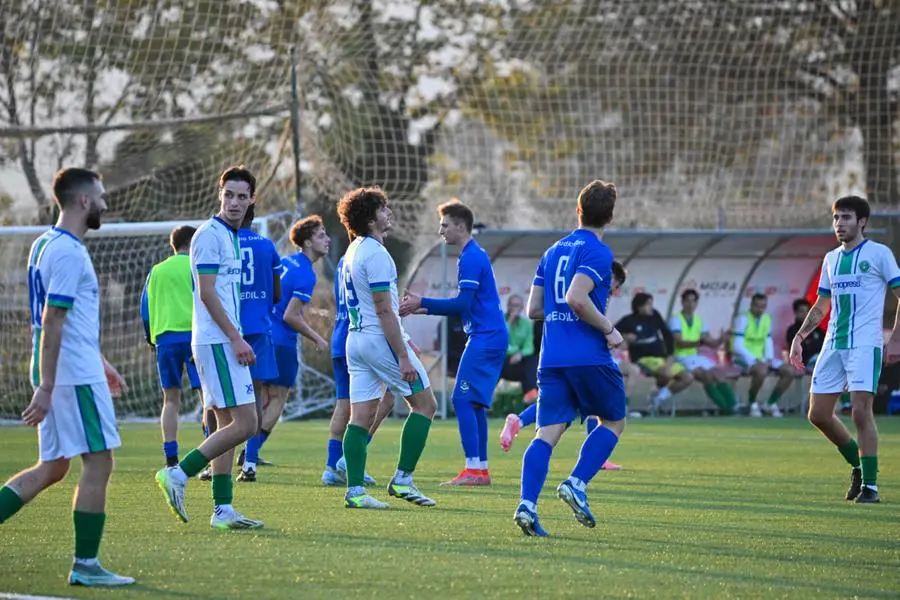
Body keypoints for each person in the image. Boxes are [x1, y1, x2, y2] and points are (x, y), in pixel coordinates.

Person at [0, 168, 134, 585]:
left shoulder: (45, 244)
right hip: (70, 376)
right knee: (99, 461)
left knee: (53, 467)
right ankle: (87, 566)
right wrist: (47, 386)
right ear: (82, 202)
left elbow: (64, 320)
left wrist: (102, 361)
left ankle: (87, 564)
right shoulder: (69, 252)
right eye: (101, 196)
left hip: (71, 367)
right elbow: (52, 317)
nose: (105, 203)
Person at [513, 179, 626, 537]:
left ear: (577, 210)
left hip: (552, 358)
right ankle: (576, 483)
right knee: (613, 422)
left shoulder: (552, 251)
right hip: (588, 356)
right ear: (609, 217)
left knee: (546, 435)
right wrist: (607, 327)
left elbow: (534, 309)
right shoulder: (598, 252)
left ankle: (527, 505)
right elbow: (578, 298)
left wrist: (560, 319)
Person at [155, 165, 263, 530]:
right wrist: (236, 337)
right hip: (217, 341)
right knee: (248, 423)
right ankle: (179, 473)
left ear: (250, 200)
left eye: (241, 196)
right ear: (220, 195)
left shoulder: (233, 236)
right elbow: (205, 292)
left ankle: (222, 509)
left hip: (219, 340)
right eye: (228, 195)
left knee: (227, 424)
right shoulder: (208, 235)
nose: (234, 202)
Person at [789, 195, 900, 504]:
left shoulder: (879, 254)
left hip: (865, 344)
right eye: (836, 218)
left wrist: (897, 339)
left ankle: (871, 487)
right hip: (833, 344)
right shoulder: (831, 259)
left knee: (861, 411)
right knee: (818, 415)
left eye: (846, 218)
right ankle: (857, 465)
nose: (839, 224)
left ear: (862, 222)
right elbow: (822, 304)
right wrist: (799, 337)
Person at [338, 186, 437, 509]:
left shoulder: (352, 251)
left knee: (360, 417)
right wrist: (403, 354)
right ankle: (403, 480)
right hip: (378, 341)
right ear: (369, 218)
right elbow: (382, 310)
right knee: (425, 404)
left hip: (356, 339)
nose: (389, 212)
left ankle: (355, 491)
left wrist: (404, 341)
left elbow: (377, 307)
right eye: (383, 208)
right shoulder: (377, 254)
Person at [400, 200, 508, 487]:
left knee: (461, 399)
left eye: (445, 225)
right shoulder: (473, 255)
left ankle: (473, 470)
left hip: (485, 337)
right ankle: (480, 470)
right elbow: (463, 306)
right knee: (472, 403)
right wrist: (423, 308)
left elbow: (463, 303)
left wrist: (422, 301)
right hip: (489, 335)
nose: (440, 230)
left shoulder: (471, 257)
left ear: (461, 226)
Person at [500, 260, 629, 474]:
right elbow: (581, 309)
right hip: (584, 356)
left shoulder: (557, 268)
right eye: (614, 285)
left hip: (554, 353)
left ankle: (520, 420)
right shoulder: (591, 290)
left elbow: (535, 309)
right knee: (602, 413)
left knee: (561, 410)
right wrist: (608, 332)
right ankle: (591, 464)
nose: (612, 290)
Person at [257, 215, 331, 472]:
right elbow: (291, 315)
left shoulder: (285, 262)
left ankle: (249, 454)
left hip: (261, 336)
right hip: (281, 342)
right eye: (322, 235)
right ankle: (251, 456)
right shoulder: (306, 274)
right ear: (308, 242)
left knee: (262, 396)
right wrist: (317, 337)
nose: (328, 239)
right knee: (278, 398)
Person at [322, 250, 395, 488]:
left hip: (341, 335)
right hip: (363, 334)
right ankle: (349, 460)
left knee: (345, 404)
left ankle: (332, 467)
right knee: (386, 398)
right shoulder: (368, 256)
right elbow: (379, 304)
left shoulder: (345, 259)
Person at [141, 225, 202, 468]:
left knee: (170, 400)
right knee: (207, 397)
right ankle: (212, 454)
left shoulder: (156, 271)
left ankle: (171, 458)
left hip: (165, 339)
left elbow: (145, 309)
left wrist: (150, 338)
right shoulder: (196, 267)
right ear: (193, 243)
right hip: (195, 337)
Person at [234, 205, 282, 482]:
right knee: (256, 397)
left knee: (218, 402)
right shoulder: (266, 246)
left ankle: (212, 463)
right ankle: (249, 462)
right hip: (259, 330)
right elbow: (276, 292)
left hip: (228, 331)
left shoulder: (225, 244)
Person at [616, 293, 694, 412]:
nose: (651, 307)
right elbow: (610, 332)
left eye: (651, 304)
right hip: (643, 359)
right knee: (666, 374)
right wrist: (625, 336)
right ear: (639, 306)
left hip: (661, 358)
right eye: (648, 304)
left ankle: (658, 398)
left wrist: (669, 356)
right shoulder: (628, 321)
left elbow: (667, 335)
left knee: (687, 378)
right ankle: (654, 392)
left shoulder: (655, 316)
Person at [669, 289, 736, 414]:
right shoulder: (676, 319)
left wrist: (721, 339)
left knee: (718, 373)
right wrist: (700, 342)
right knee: (706, 376)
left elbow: (710, 343)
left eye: (693, 301)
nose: (690, 304)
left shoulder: (699, 320)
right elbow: (680, 343)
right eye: (687, 301)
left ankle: (732, 405)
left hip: (694, 357)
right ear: (682, 302)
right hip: (680, 358)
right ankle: (726, 408)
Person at [732, 293, 796, 417]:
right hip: (743, 358)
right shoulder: (742, 319)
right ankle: (752, 403)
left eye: (762, 306)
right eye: (757, 306)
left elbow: (768, 340)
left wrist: (769, 359)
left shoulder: (766, 318)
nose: (759, 309)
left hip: (761, 358)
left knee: (789, 371)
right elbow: (737, 346)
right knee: (761, 371)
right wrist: (754, 360)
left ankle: (770, 403)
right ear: (751, 305)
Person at [501, 294, 539, 403]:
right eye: (512, 305)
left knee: (532, 360)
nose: (514, 309)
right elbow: (500, 342)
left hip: (518, 361)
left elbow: (529, 347)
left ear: (522, 307)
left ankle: (531, 393)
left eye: (517, 306)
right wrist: (509, 322)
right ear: (508, 306)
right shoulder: (501, 320)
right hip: (503, 360)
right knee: (495, 359)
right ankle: (484, 397)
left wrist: (520, 354)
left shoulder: (526, 324)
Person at [785, 298, 825, 373]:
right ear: (795, 312)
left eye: (807, 311)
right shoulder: (792, 330)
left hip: (820, 360)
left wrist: (811, 344)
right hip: (805, 364)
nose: (805, 314)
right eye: (801, 311)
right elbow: (795, 350)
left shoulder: (817, 329)